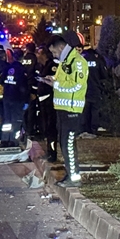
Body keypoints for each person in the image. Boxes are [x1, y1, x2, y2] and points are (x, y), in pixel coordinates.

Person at [48, 31, 89, 185]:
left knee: (68, 144)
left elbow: (76, 85)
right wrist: (51, 80)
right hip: (63, 109)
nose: (53, 54)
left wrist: (56, 84)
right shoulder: (65, 62)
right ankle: (71, 174)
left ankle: (74, 177)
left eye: (53, 51)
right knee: (64, 144)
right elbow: (62, 81)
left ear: (60, 48)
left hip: (72, 111)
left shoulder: (77, 62)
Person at [0, 49, 29, 145]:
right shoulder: (22, 70)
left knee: (7, 119)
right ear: (22, 58)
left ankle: (4, 139)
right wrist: (27, 101)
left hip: (7, 97)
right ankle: (13, 140)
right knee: (16, 120)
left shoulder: (8, 68)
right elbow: (25, 87)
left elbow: (0, 81)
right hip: (17, 98)